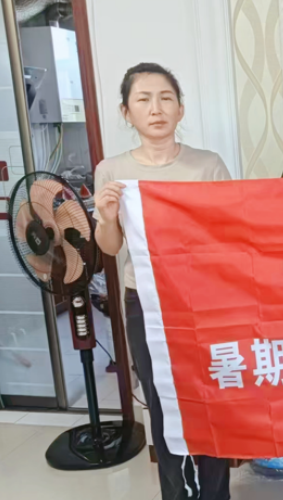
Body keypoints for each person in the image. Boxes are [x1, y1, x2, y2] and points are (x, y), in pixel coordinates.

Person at [94, 63, 232, 500]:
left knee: (211, 398)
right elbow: (111, 247)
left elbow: (230, 233)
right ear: (126, 112)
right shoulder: (112, 170)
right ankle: (177, 493)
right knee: (162, 401)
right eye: (143, 99)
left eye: (166, 98)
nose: (156, 108)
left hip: (203, 300)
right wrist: (108, 217)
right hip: (145, 301)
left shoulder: (207, 165)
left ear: (180, 109)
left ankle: (216, 493)